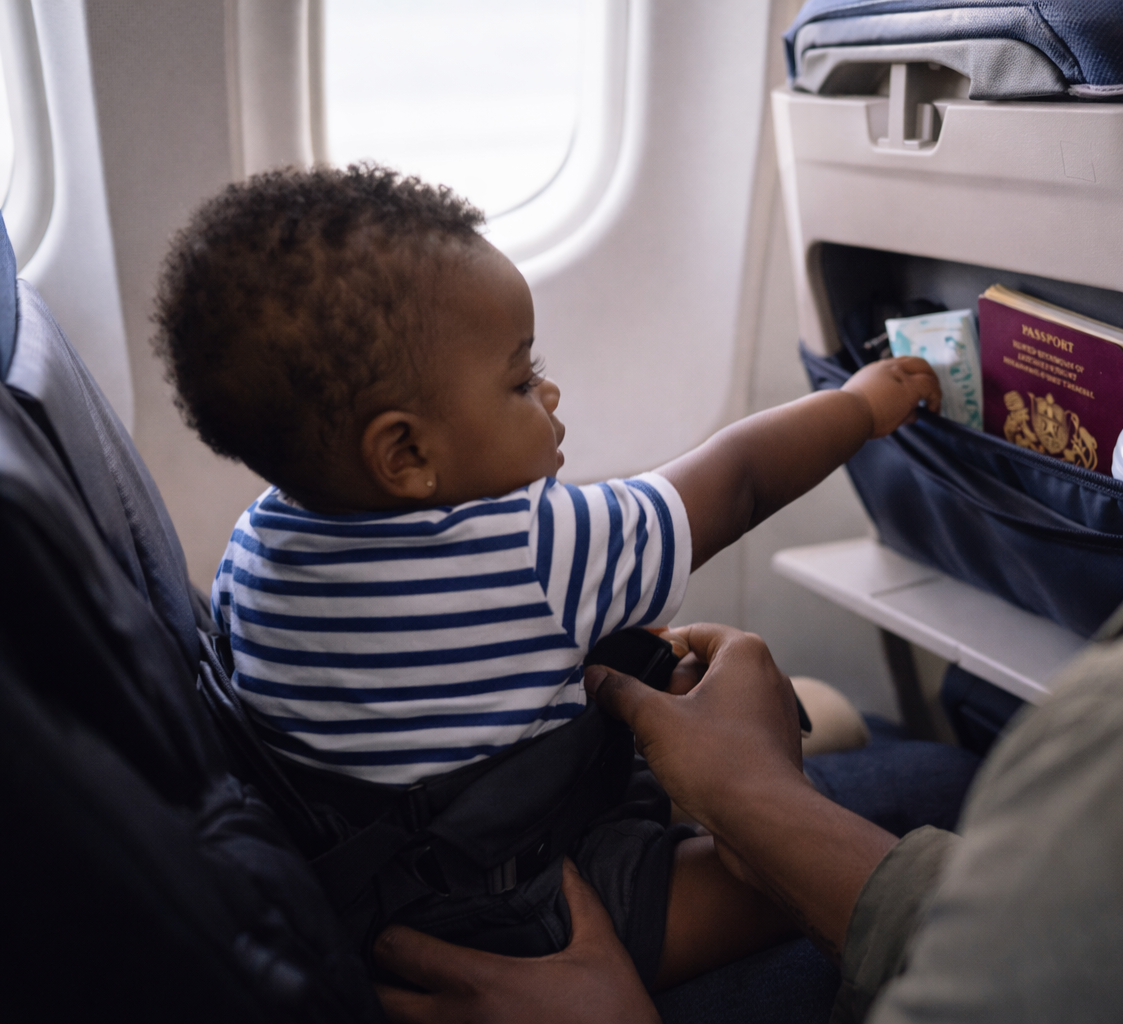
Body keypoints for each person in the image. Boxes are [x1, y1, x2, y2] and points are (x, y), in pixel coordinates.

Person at [373, 0, 1123, 1018]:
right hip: (563, 862)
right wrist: (755, 797)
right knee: (907, 764)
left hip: (463, 892)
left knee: (904, 762)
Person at [150, 165, 942, 992]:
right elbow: (737, 480)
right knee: (813, 878)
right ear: (405, 454)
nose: (550, 390)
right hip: (538, 911)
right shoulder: (537, 549)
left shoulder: (255, 544)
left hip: (369, 890)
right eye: (521, 380)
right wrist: (860, 404)